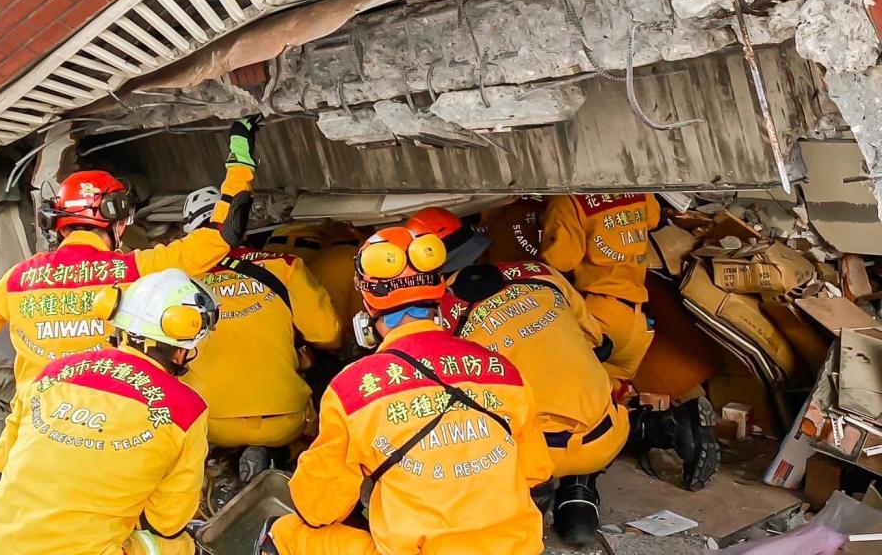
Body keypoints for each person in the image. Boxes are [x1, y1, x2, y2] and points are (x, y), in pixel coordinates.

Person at [0, 116, 260, 484]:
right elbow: (223, 235)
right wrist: (241, 151)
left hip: (22, 450)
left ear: (57, 223)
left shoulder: (19, 279)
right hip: (106, 441)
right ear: (117, 222)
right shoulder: (138, 270)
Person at [256, 226, 553, 555]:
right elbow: (536, 471)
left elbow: (319, 509)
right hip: (515, 548)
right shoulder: (501, 370)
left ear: (368, 303)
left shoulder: (352, 390)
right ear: (439, 294)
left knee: (287, 531)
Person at [407, 207, 629, 544]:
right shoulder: (541, 273)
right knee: (592, 378)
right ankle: (580, 492)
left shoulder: (443, 322)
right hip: (608, 434)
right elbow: (598, 343)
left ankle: (527, 502)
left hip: (536, 458)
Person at [0, 268, 219, 555]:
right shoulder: (186, 410)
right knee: (178, 546)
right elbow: (167, 523)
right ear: (181, 351)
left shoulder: (53, 372)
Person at [539, 194, 718, 491]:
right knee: (610, 405)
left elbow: (559, 260)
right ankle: (675, 426)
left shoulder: (569, 200)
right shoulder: (636, 191)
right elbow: (653, 217)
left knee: (580, 412)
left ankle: (576, 499)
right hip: (635, 319)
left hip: (596, 314)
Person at [179, 187, 343, 478]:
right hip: (284, 419)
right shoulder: (284, 266)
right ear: (241, 227)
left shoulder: (174, 279)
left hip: (207, 422)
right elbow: (329, 335)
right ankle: (279, 455)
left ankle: (220, 463)